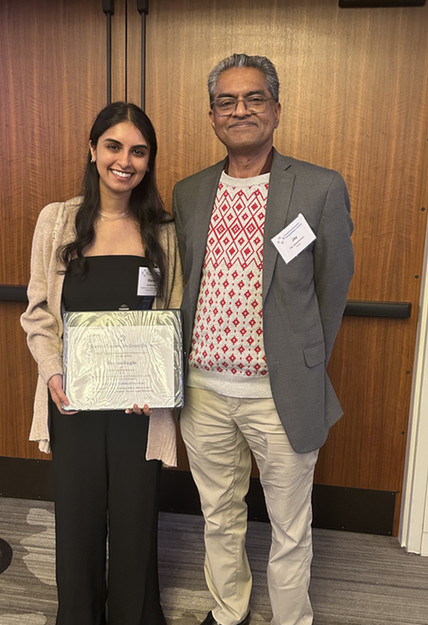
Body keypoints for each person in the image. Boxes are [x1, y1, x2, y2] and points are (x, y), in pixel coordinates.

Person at [172, 54, 354, 625]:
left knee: (289, 523)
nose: (241, 110)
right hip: (202, 391)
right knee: (218, 513)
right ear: (212, 117)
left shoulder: (320, 188)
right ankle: (229, 611)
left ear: (275, 109)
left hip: (280, 392)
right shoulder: (190, 192)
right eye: (227, 102)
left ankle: (291, 619)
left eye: (253, 99)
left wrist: (305, 360)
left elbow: (333, 286)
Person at [21, 101, 183, 625]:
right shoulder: (58, 220)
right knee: (78, 517)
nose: (125, 160)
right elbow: (40, 314)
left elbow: (174, 316)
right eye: (113, 146)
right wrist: (52, 372)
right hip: (74, 401)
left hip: (140, 406)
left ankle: (134, 615)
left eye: (138, 151)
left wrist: (158, 383)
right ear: (93, 151)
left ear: (149, 161)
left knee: (136, 518)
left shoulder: (164, 230)